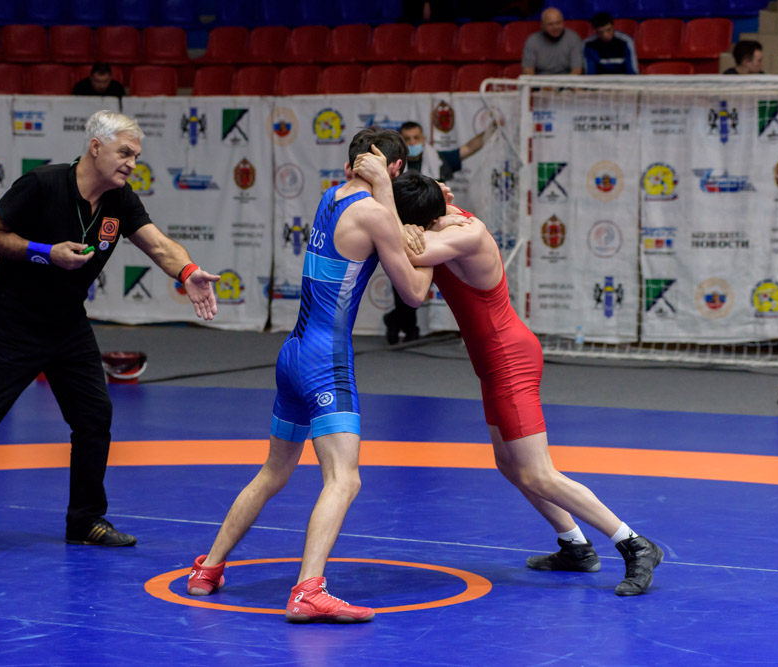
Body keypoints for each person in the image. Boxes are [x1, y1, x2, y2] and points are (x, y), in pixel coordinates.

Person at [0, 110, 220, 557]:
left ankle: (85, 520)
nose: (132, 163)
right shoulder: (42, 184)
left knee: (94, 416)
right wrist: (44, 252)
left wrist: (187, 272)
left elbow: (158, 244)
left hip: (68, 324)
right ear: (95, 146)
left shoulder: (120, 200)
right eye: (125, 153)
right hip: (13, 322)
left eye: (136, 156)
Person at [356, 156, 664, 597]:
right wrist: (416, 205)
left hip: (510, 359)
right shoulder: (442, 217)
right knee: (509, 465)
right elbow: (420, 219)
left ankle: (634, 544)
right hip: (493, 360)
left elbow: (407, 252)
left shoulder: (466, 233)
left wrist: (394, 215)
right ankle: (575, 546)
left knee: (538, 473)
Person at [186, 129, 433, 623]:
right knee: (345, 479)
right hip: (325, 361)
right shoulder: (375, 214)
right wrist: (426, 246)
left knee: (273, 472)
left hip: (293, 353)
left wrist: (392, 203)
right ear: (394, 169)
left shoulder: (331, 196)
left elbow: (380, 213)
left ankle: (208, 568)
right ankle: (308, 591)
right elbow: (414, 293)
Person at [383, 119, 499, 344]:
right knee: (406, 282)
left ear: (424, 139)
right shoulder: (394, 169)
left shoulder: (438, 160)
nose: (412, 143)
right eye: (407, 139)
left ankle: (398, 321)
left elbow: (469, 148)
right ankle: (406, 325)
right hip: (405, 229)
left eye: (416, 138)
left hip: (431, 228)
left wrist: (492, 129)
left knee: (423, 279)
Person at [522, 7, 583, 76]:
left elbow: (577, 70)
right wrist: (540, 83)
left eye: (558, 23)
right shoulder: (532, 41)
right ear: (542, 25)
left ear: (563, 22)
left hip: (567, 80)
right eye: (550, 24)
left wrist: (564, 82)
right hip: (540, 81)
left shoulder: (573, 38)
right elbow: (528, 72)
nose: (555, 27)